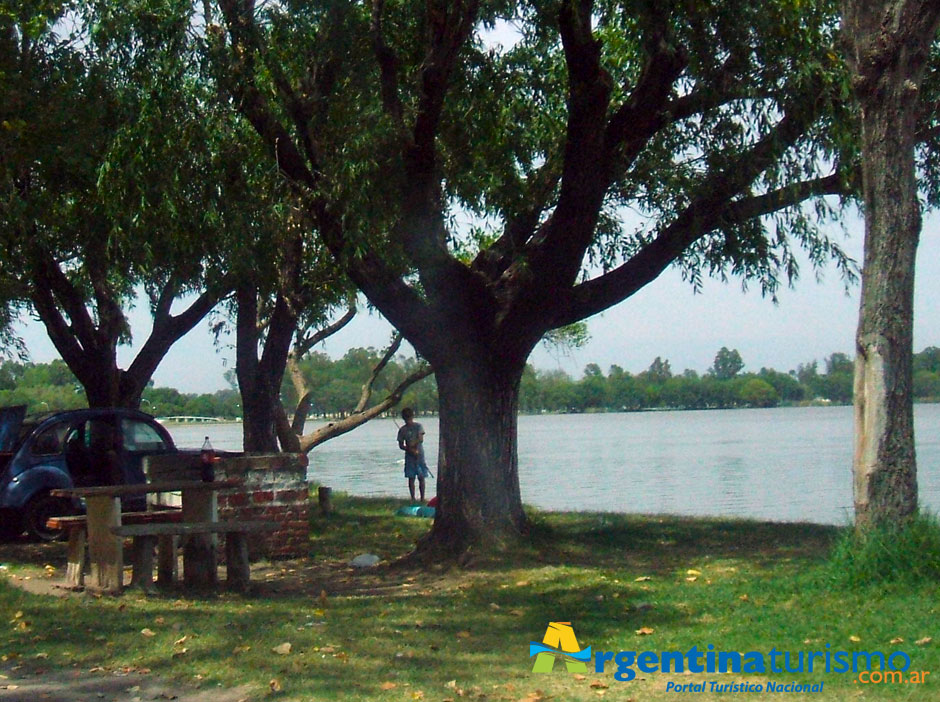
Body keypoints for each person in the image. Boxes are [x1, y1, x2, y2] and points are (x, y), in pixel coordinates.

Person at [397, 407, 430, 502]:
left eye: (409, 418)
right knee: (411, 477)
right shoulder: (402, 430)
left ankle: (423, 497)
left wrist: (414, 445)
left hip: (419, 454)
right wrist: (409, 449)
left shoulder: (419, 426)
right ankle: (412, 498)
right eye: (406, 418)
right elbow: (400, 445)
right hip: (409, 456)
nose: (408, 420)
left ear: (412, 416)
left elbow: (421, 439)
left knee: (421, 476)